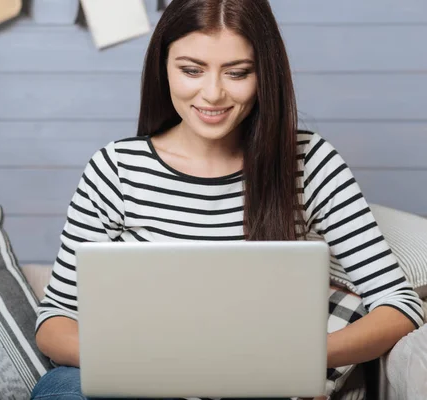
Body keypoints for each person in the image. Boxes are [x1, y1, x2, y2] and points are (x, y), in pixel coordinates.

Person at [31, 0, 425, 399]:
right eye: (191, 70)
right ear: (162, 67)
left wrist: (295, 357)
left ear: (264, 74)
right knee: (62, 387)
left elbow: (399, 306)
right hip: (142, 384)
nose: (213, 94)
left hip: (257, 387)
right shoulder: (115, 169)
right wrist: (153, 362)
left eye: (237, 73)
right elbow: (56, 320)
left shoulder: (310, 163)